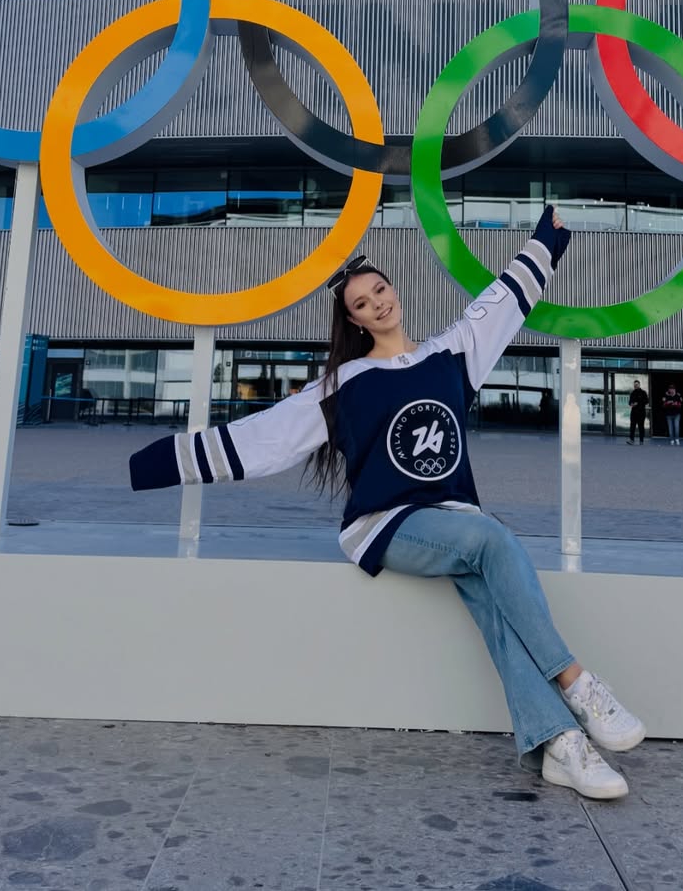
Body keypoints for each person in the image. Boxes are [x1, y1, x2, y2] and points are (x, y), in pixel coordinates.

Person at [130, 207, 645, 800]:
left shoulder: (452, 353)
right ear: (352, 319)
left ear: (394, 290)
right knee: (492, 538)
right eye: (361, 303)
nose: (376, 303)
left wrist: (547, 240)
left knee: (491, 597)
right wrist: (155, 464)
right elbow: (263, 438)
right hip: (384, 525)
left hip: (452, 523)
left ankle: (559, 744)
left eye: (379, 290)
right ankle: (577, 682)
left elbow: (502, 302)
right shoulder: (344, 384)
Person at [626, 379, 648, 445]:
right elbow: (629, 402)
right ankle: (631, 440)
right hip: (634, 412)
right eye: (634, 384)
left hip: (641, 412)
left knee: (641, 427)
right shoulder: (632, 393)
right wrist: (631, 404)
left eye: (637, 384)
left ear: (639, 385)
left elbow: (646, 401)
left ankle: (641, 440)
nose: (635, 385)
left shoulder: (643, 392)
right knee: (632, 426)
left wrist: (638, 403)